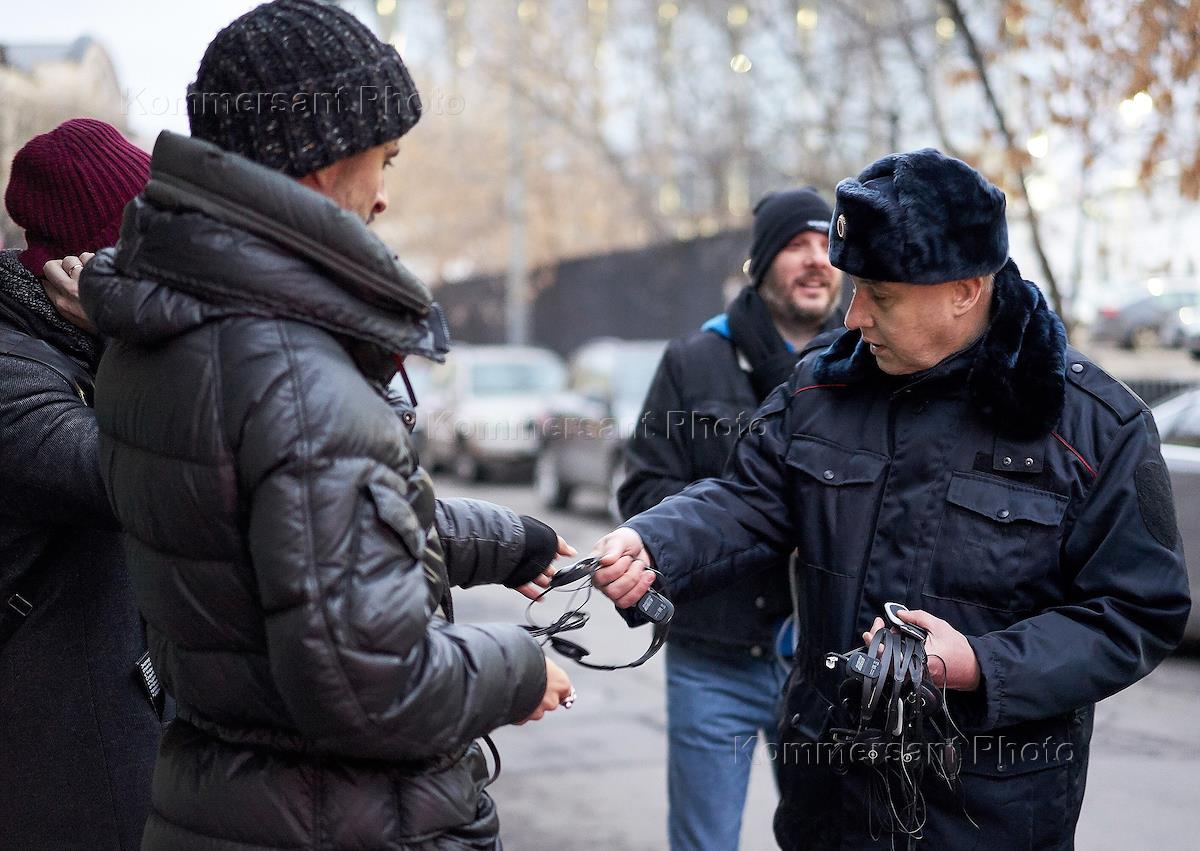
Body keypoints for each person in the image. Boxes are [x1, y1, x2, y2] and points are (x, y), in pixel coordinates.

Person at [592, 148, 1191, 849]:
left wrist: (979, 664)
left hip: (987, 816)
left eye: (879, 296)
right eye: (854, 288)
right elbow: (746, 500)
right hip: (830, 808)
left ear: (964, 289)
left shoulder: (1094, 424)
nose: (853, 317)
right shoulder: (820, 388)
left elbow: (1138, 609)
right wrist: (655, 542)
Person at [78, 2, 572, 848]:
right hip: (343, 820)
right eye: (385, 158)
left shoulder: (170, 329)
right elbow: (374, 686)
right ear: (319, 161)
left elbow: (291, 535)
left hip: (220, 805)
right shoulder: (292, 371)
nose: (383, 194)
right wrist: (520, 669)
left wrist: (510, 541)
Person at [618, 187, 843, 850]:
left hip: (829, 663)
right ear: (762, 262)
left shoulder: (863, 362)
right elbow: (644, 491)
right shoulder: (694, 360)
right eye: (797, 245)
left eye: (828, 244)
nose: (817, 259)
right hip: (713, 659)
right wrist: (742, 524)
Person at [0, 118, 160, 850]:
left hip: (112, 731)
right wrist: (128, 330)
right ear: (86, 262)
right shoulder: (15, 372)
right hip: (65, 764)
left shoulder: (77, 344)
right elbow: (149, 476)